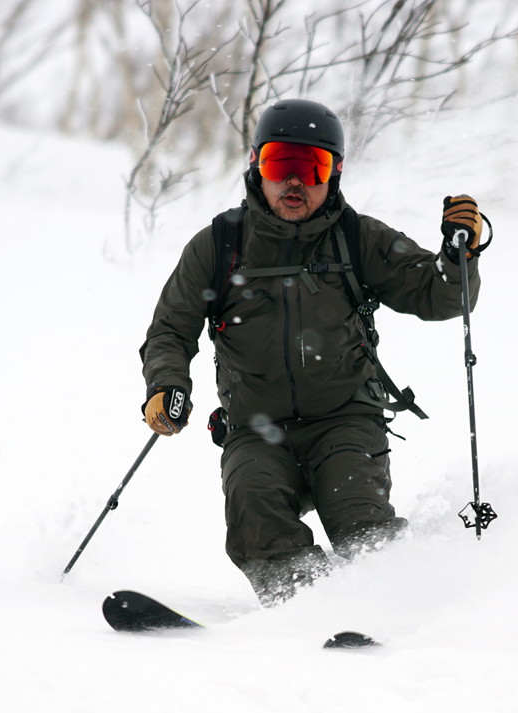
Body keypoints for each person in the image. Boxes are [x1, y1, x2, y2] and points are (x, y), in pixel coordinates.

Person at [139, 99, 486, 605]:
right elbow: (171, 328)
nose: (295, 183)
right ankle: (309, 607)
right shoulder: (220, 245)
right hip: (256, 430)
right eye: (281, 165)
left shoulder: (356, 238)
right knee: (254, 511)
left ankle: (391, 604)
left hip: (344, 421)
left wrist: (459, 258)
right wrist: (166, 384)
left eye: (313, 167)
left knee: (359, 519)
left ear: (335, 173)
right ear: (258, 166)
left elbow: (439, 295)